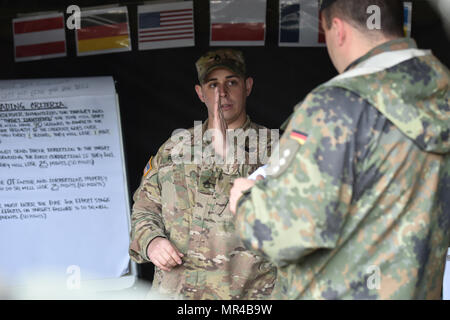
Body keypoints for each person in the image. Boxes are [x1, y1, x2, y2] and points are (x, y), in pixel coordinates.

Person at [230, 0, 450, 299]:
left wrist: (246, 200)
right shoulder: (442, 90)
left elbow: (283, 233)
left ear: (337, 29)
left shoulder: (336, 107)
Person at [129, 49, 277, 299]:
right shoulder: (175, 148)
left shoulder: (277, 149)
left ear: (247, 86)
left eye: (232, 82)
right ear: (200, 93)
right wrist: (151, 241)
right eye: (213, 84)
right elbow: (144, 209)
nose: (222, 93)